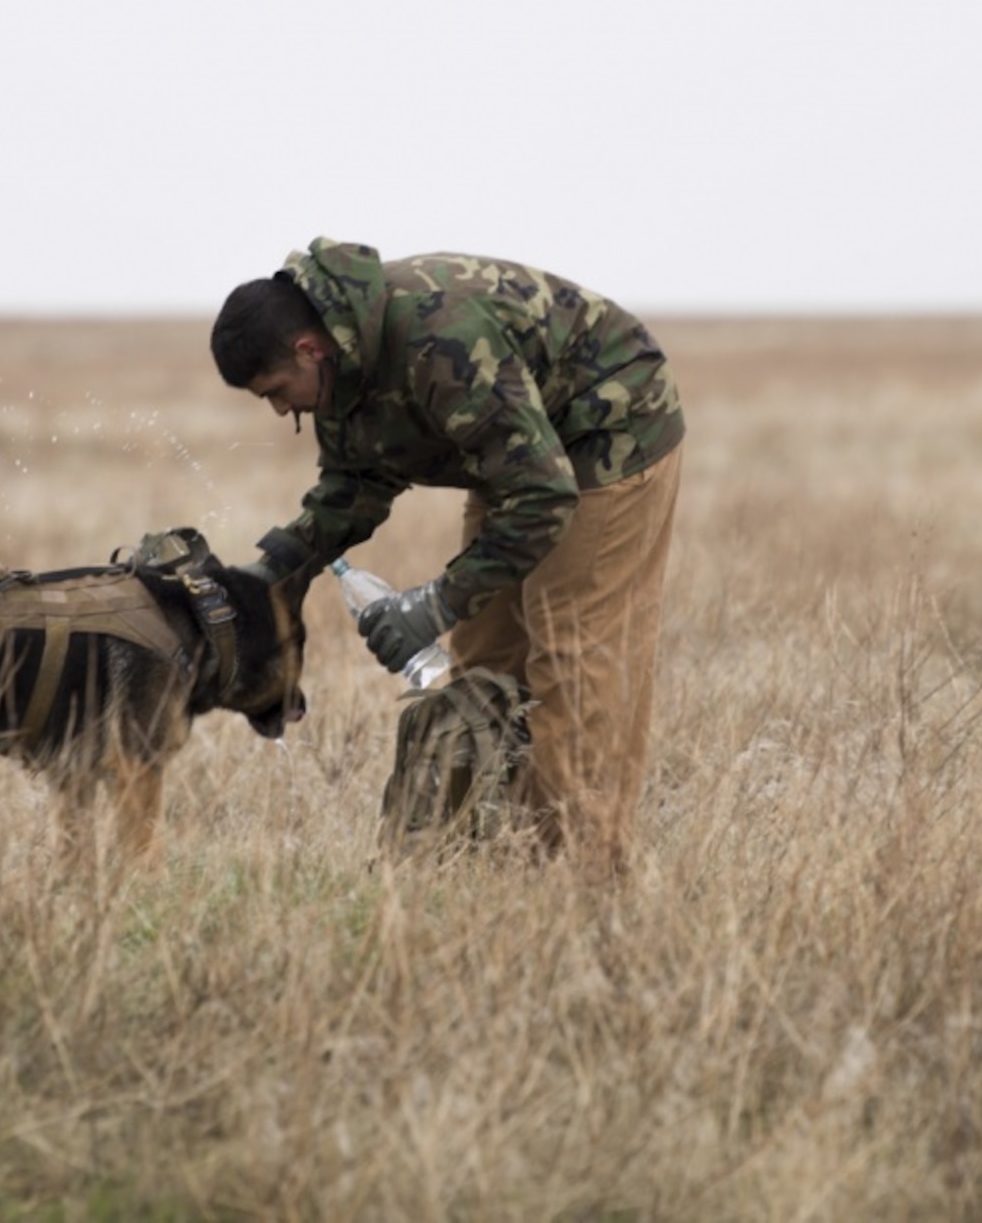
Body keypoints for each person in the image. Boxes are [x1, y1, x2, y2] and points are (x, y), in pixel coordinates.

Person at [210, 236, 685, 873]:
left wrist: (435, 603)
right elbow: (355, 480)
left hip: (609, 430)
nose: (279, 409)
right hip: (516, 456)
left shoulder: (440, 339)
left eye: (276, 389)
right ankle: (496, 857)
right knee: (487, 665)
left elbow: (544, 496)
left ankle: (583, 876)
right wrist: (278, 568)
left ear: (307, 349)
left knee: (571, 654)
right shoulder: (339, 366)